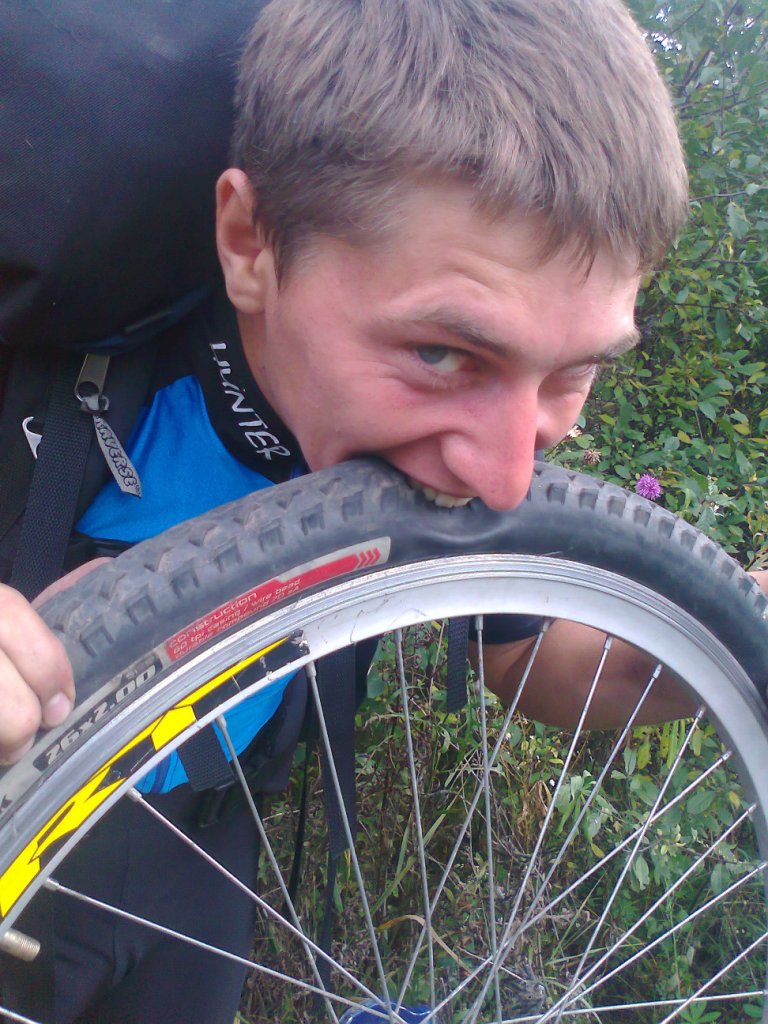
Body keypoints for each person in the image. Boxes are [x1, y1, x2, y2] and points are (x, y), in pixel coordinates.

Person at [1, 0, 766, 1020]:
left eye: (572, 373)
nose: (506, 478)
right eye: (443, 353)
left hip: (205, 852)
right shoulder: (46, 352)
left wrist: (724, 633)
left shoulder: (457, 445)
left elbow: (527, 656)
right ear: (250, 242)